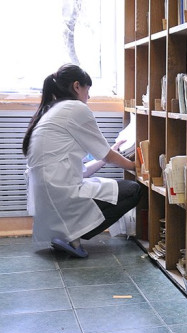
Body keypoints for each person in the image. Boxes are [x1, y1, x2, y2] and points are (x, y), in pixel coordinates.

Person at [22, 63, 142, 258]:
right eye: (88, 90)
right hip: (61, 192)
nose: (89, 96)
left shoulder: (52, 110)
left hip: (49, 195)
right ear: (77, 86)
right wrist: (135, 166)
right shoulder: (75, 108)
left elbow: (84, 167)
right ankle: (71, 236)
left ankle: (63, 234)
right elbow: (106, 155)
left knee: (104, 187)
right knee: (133, 190)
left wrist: (110, 154)